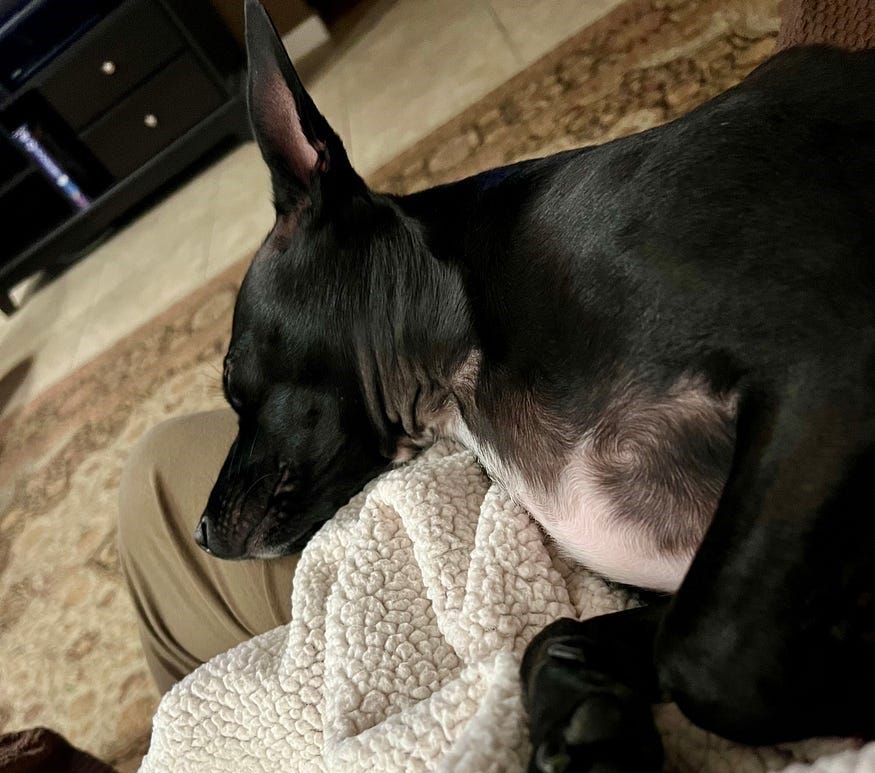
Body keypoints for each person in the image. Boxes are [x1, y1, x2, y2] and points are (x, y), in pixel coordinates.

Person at [117, 0, 874, 696]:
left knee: (154, 475)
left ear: (312, 186)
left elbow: (841, 355)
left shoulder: (589, 240)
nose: (253, 421)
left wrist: (709, 662)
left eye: (247, 390)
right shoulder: (471, 395)